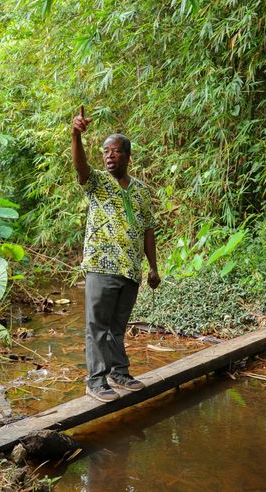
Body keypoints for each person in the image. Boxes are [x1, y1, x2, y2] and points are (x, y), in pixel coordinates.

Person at [71, 106, 160, 403]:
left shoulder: (141, 191)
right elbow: (80, 167)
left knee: (117, 328)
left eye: (115, 151)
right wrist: (76, 135)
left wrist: (153, 268)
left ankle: (118, 373)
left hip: (130, 269)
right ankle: (95, 380)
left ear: (127, 155)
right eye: (105, 152)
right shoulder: (97, 183)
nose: (109, 156)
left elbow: (148, 228)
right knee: (97, 326)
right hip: (101, 265)